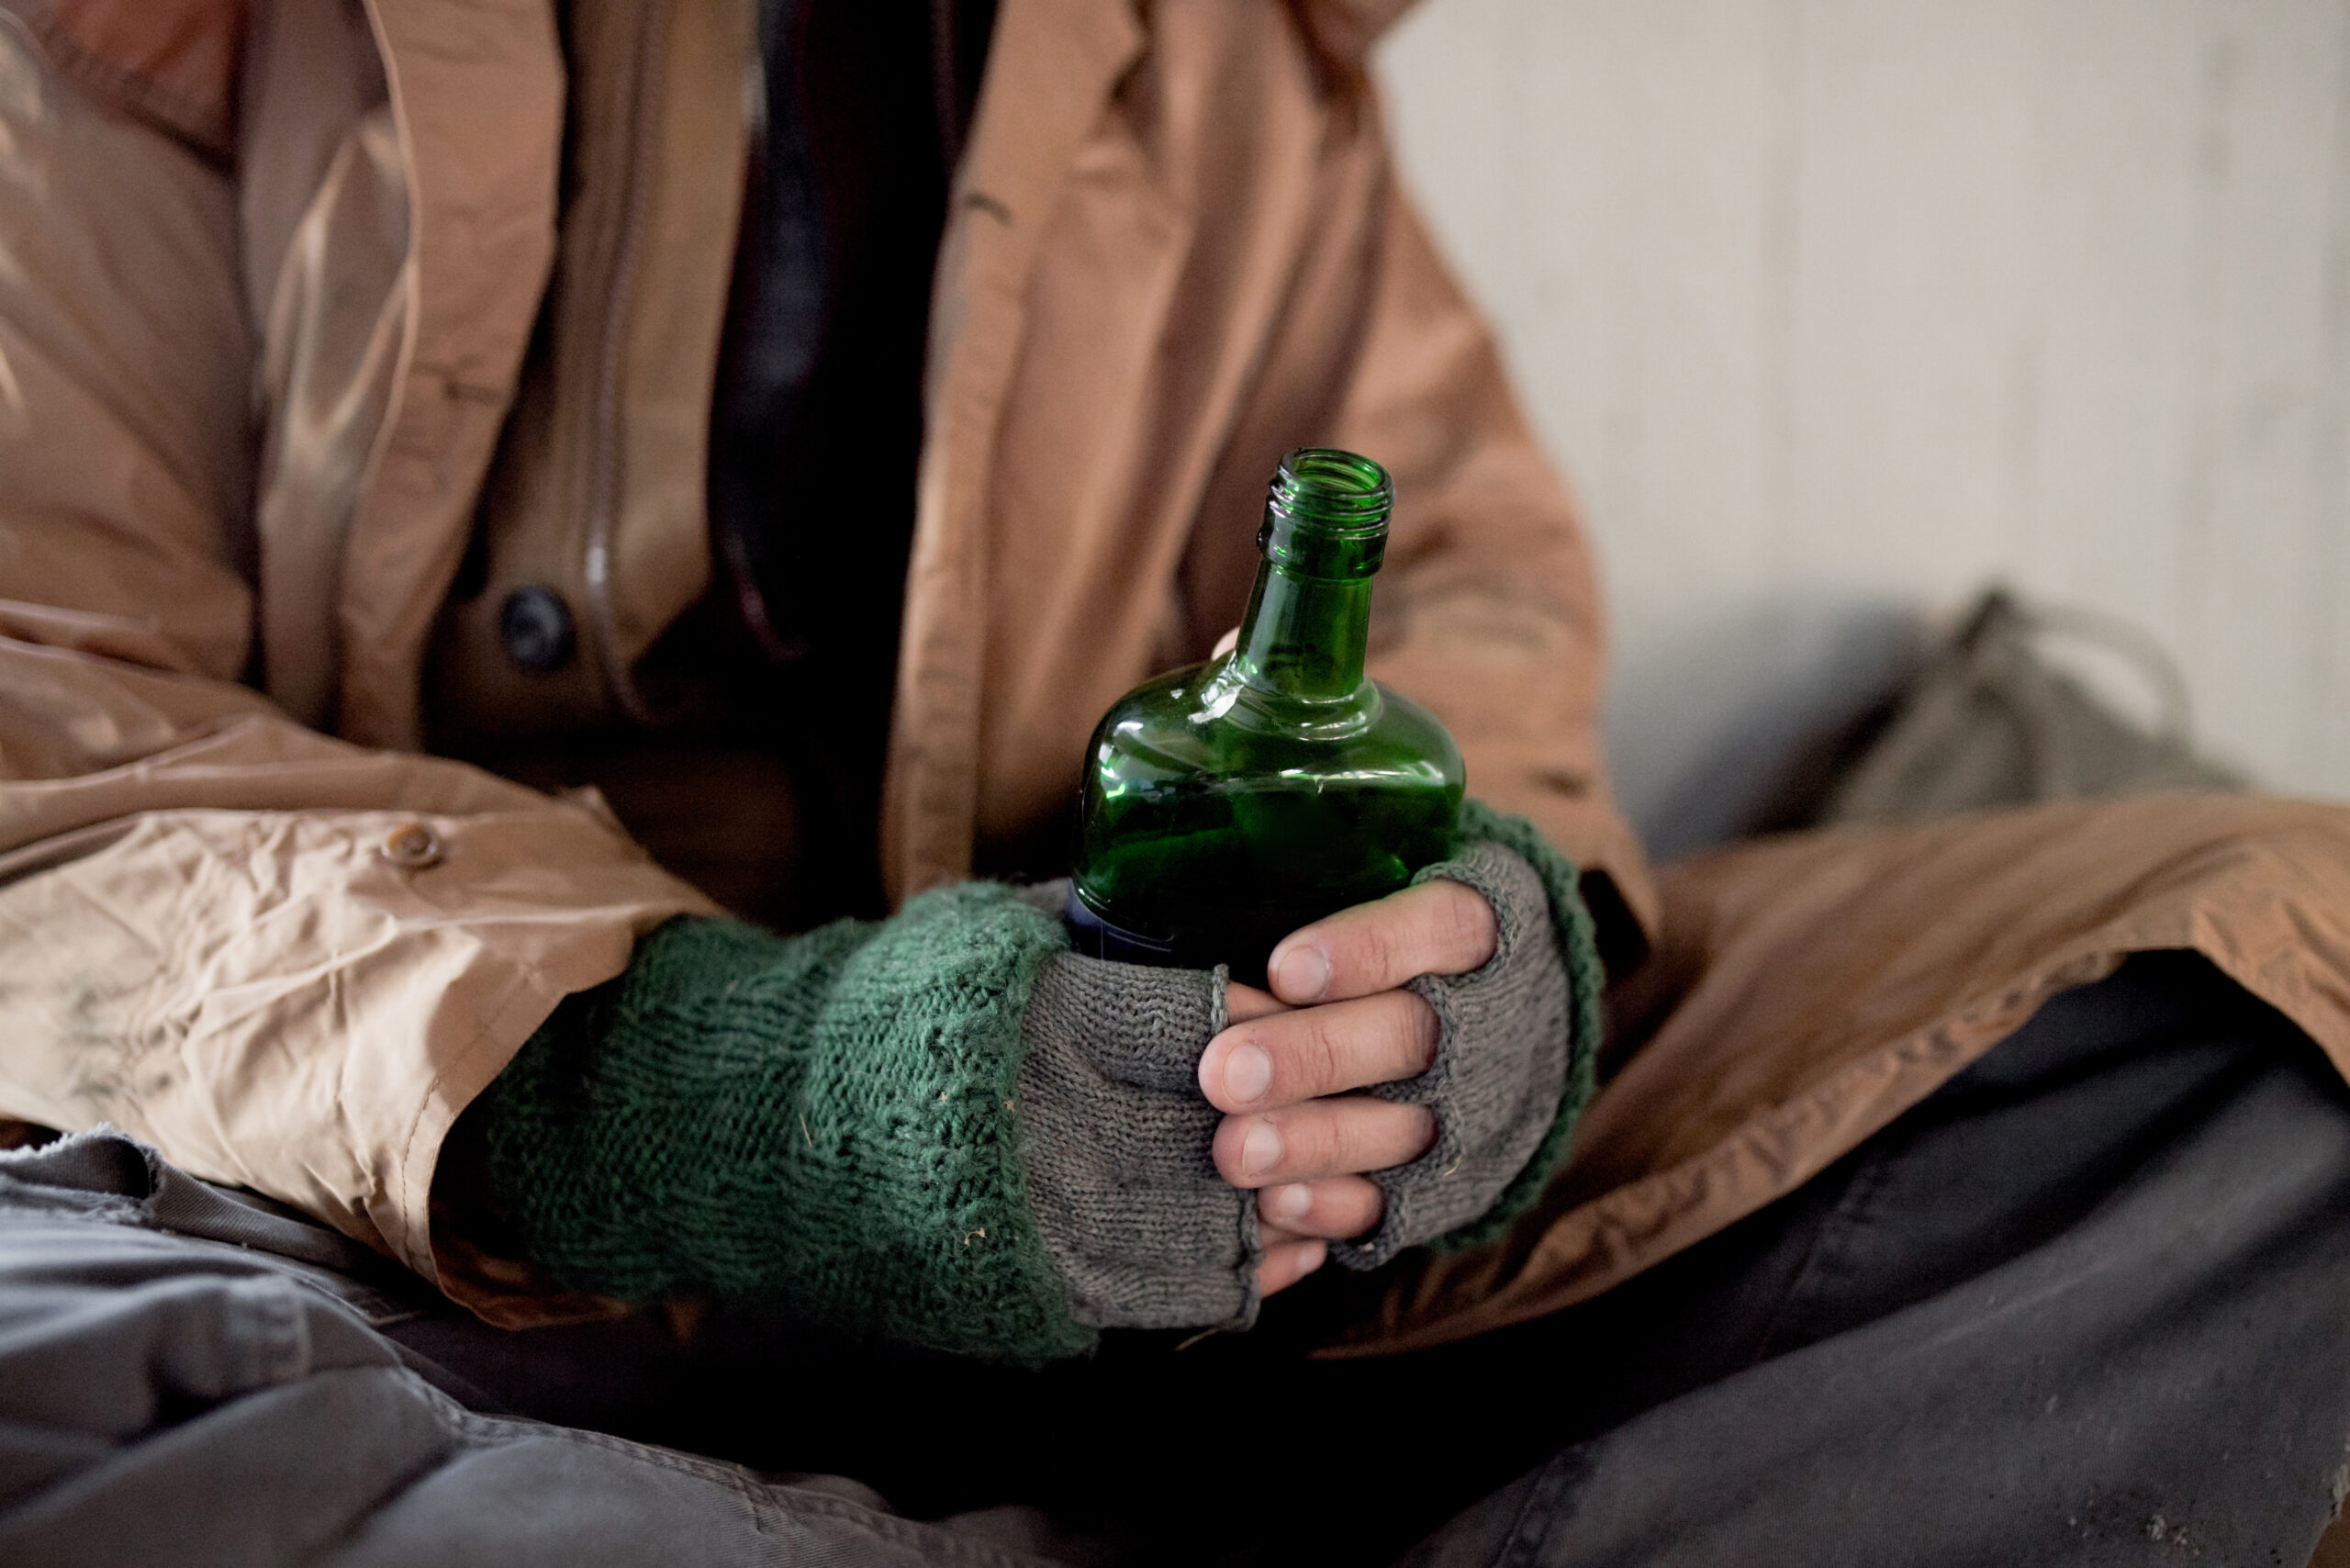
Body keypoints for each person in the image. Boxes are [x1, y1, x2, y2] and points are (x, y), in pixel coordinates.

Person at [1, 1, 2347, 1563]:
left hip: (1204, 1255)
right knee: (63, 1369)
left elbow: (1470, 620)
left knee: (2266, 1007)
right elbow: (56, 755)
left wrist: (1485, 968)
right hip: (435, 1258)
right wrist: (736, 1100)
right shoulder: (140, 39)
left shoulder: (1247, 63)